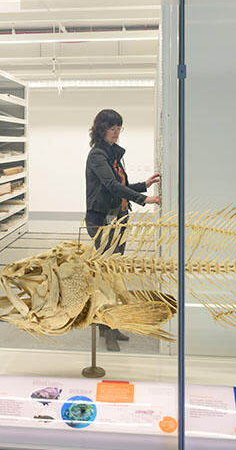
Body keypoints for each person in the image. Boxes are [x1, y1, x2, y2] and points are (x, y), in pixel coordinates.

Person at [85, 108, 160, 351]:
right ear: (101, 129)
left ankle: (110, 325)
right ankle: (107, 327)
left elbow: (120, 185)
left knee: (114, 274)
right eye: (112, 128)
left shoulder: (113, 155)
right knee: (108, 276)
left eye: (119, 128)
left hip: (118, 219)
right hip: (102, 221)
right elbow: (110, 185)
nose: (116, 132)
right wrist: (143, 199)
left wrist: (144, 185)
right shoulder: (98, 155)